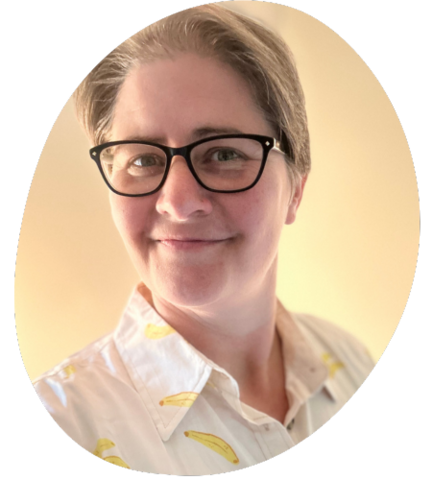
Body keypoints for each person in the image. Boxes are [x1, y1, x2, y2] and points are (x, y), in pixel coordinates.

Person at [33, 4, 375, 474]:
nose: (177, 202)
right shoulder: (69, 420)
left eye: (223, 153)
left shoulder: (350, 363)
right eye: (143, 160)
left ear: (295, 189)